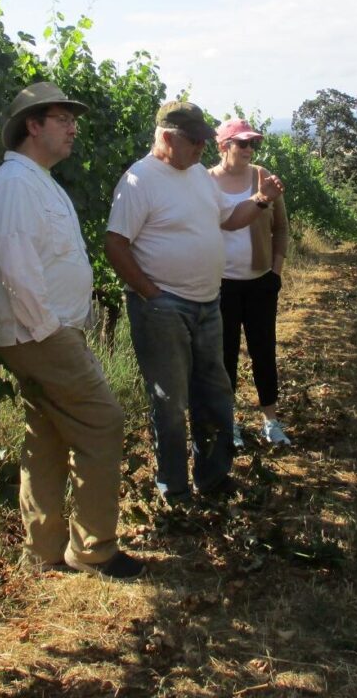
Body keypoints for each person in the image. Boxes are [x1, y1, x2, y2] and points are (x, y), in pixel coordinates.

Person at [0, 82, 144, 581]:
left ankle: (43, 547)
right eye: (62, 119)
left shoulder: (38, 181)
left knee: (45, 435)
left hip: (45, 333)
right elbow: (18, 267)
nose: (74, 128)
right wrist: (51, 329)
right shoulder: (14, 185)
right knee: (102, 422)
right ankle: (94, 549)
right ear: (33, 125)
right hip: (40, 335)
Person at [105, 100, 284, 503]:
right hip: (164, 310)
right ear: (167, 138)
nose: (203, 149)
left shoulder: (199, 177)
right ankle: (174, 488)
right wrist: (153, 295)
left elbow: (228, 219)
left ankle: (214, 479)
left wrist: (260, 201)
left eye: (206, 141)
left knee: (215, 394)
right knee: (170, 403)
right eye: (196, 142)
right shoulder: (139, 181)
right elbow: (115, 244)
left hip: (207, 303)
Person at [209, 118, 291, 447]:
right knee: (224, 355)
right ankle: (228, 422)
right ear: (223, 146)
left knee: (263, 350)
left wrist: (275, 270)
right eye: (241, 143)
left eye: (252, 143)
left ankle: (270, 420)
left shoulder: (263, 178)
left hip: (260, 281)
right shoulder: (205, 182)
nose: (248, 149)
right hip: (220, 284)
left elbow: (281, 227)